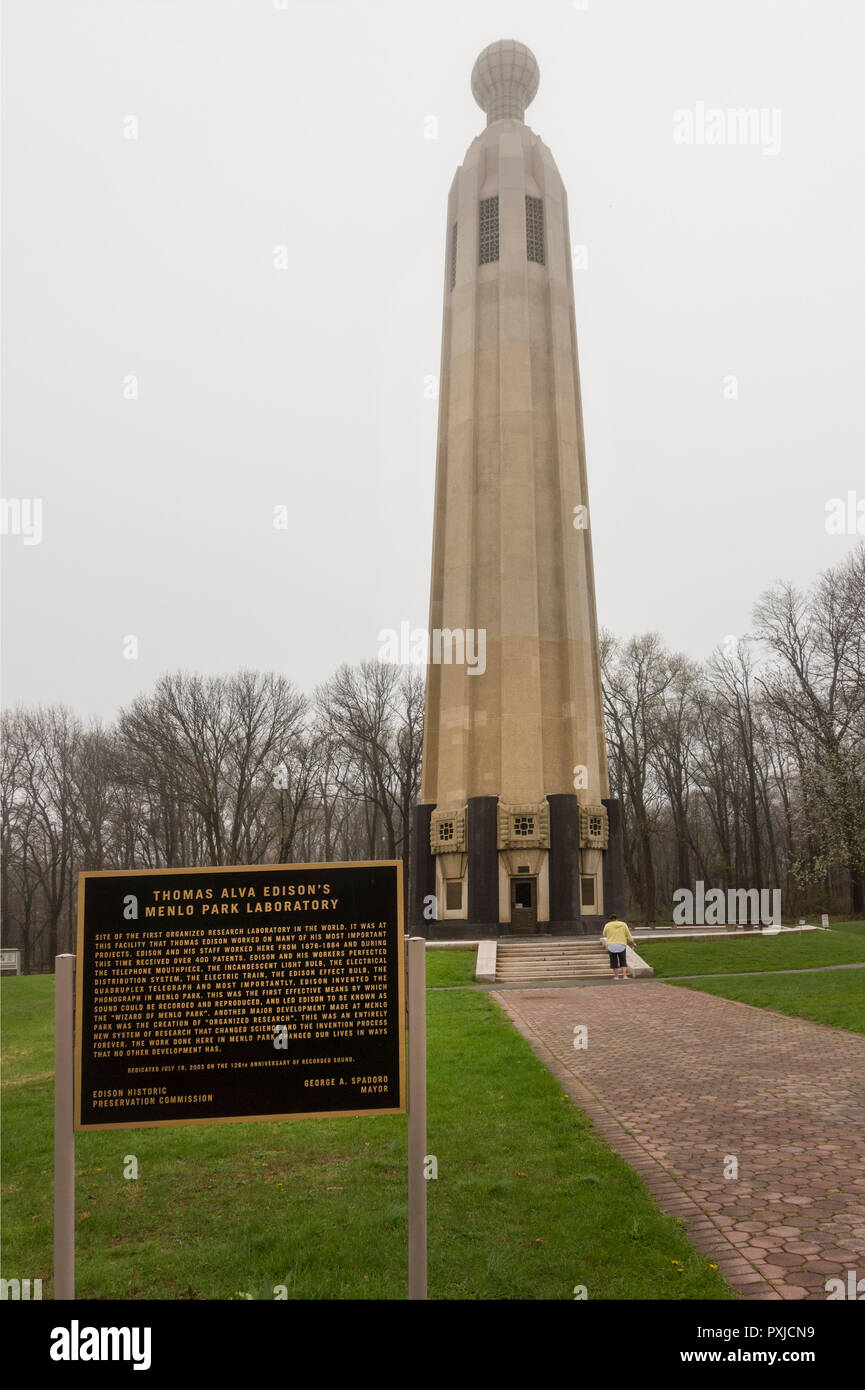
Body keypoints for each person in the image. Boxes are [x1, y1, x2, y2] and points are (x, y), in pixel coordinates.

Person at [602, 912, 635, 981]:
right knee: (623, 960)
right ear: (617, 919)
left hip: (611, 945)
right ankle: (625, 976)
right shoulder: (623, 924)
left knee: (614, 962)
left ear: (610, 919)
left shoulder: (607, 925)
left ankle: (616, 977)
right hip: (621, 945)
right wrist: (633, 942)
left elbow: (604, 934)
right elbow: (628, 934)